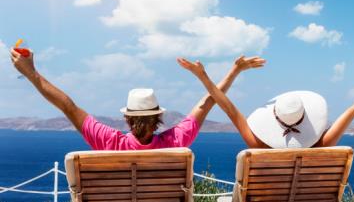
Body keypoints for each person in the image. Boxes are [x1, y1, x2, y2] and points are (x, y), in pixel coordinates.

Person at [9, 48, 265, 150]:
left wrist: (31, 73)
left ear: (127, 118)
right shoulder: (175, 141)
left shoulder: (110, 142)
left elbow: (67, 105)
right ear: (159, 117)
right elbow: (208, 102)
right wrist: (234, 70)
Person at [177, 57, 354, 148]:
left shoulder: (257, 144)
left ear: (274, 118)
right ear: (306, 118)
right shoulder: (324, 144)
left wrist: (203, 76)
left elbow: (227, 107)